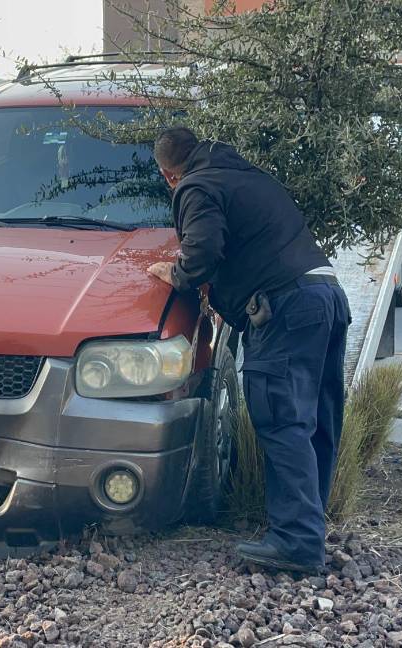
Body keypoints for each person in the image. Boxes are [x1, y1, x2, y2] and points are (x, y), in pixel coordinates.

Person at [148, 127, 350, 574]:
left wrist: (177, 274)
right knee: (315, 421)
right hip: (328, 296)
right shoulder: (245, 174)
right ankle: (308, 528)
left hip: (286, 307)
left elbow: (203, 252)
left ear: (168, 174)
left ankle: (297, 543)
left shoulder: (196, 186)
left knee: (281, 419)